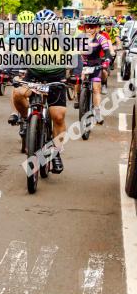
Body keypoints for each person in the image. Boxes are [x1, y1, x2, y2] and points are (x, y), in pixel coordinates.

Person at [7, 11, 68, 173]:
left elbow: (75, 59)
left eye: (47, 26)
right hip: (34, 76)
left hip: (57, 78)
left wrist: (75, 74)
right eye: (40, 26)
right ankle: (28, 121)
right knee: (17, 93)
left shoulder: (63, 40)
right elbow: (14, 56)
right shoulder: (28, 41)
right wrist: (8, 70)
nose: (44, 30)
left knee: (58, 116)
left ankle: (55, 153)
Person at [79, 15, 111, 123]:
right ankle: (79, 97)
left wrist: (106, 61)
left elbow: (107, 51)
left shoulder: (101, 38)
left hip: (96, 63)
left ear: (97, 28)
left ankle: (97, 112)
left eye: (92, 27)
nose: (89, 29)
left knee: (96, 88)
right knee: (78, 80)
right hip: (83, 63)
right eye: (87, 27)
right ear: (84, 27)